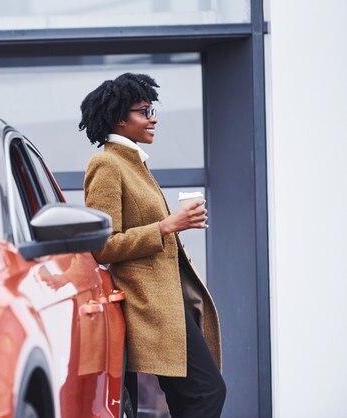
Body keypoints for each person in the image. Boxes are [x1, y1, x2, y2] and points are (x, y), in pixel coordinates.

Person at [79, 73, 226, 417]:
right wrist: (166, 226)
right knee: (205, 392)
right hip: (148, 305)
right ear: (119, 118)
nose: (153, 118)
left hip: (167, 302)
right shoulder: (107, 163)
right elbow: (102, 246)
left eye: (152, 109)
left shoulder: (135, 162)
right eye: (144, 111)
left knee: (191, 395)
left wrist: (173, 225)